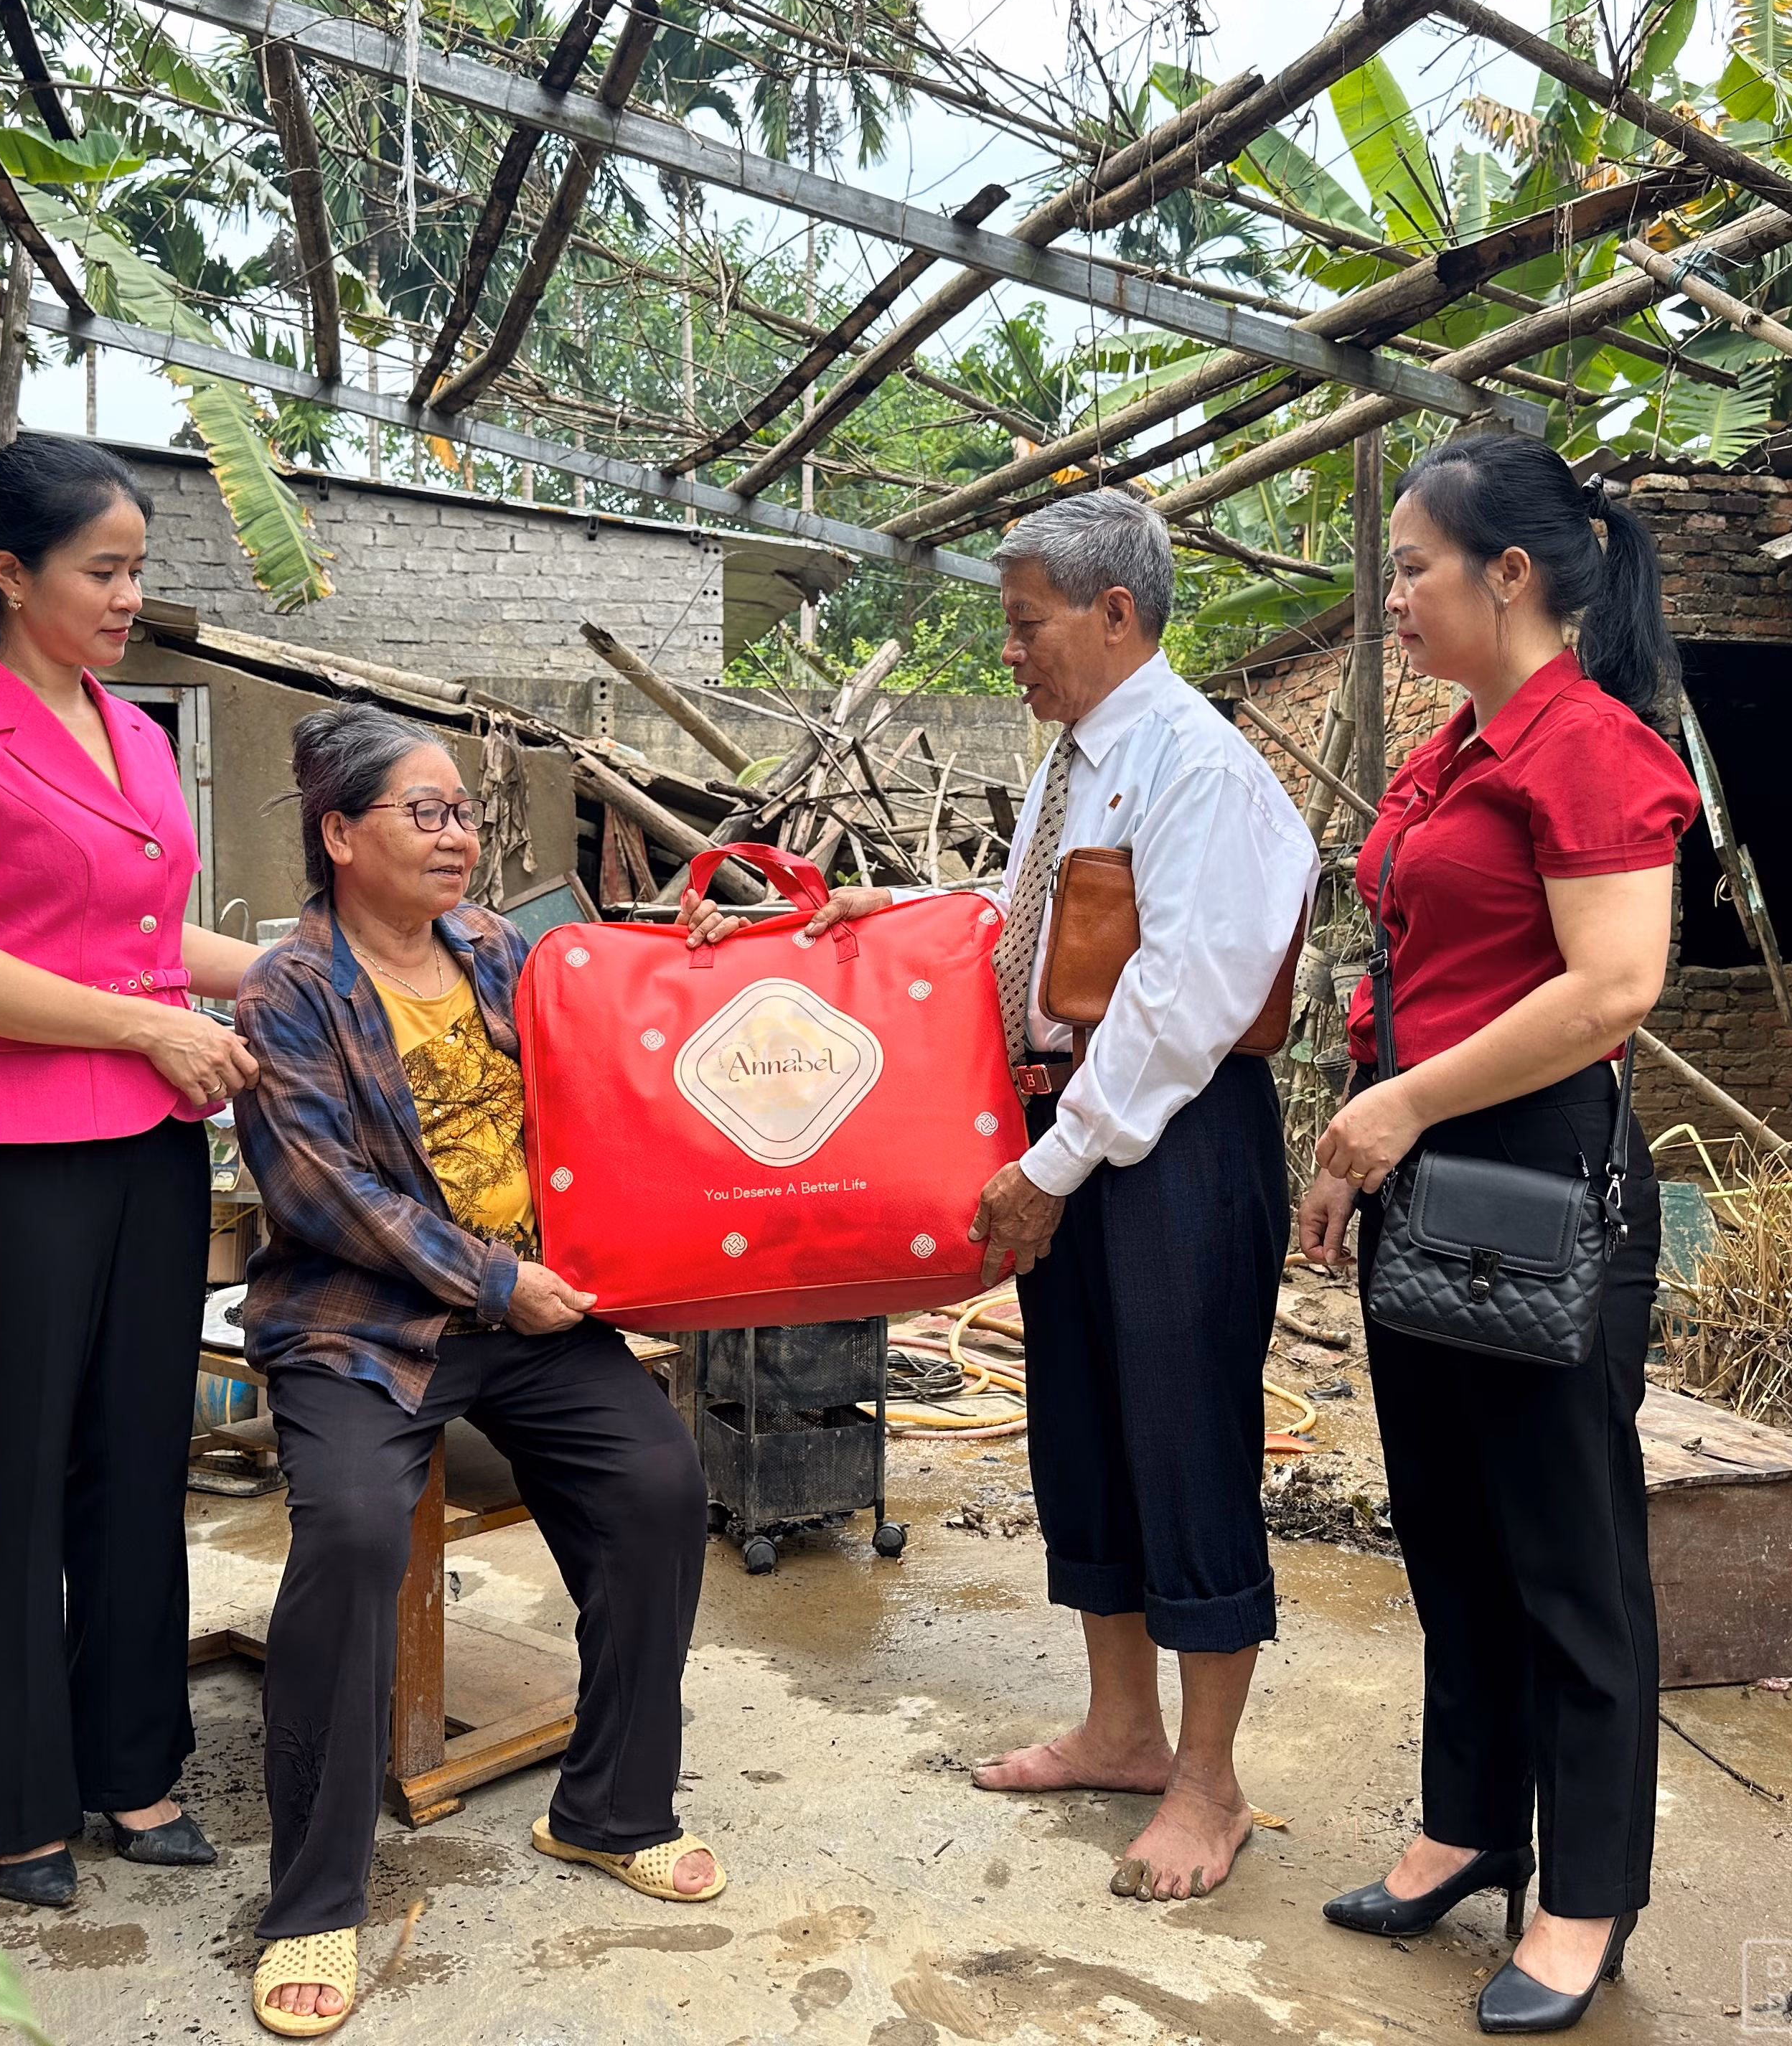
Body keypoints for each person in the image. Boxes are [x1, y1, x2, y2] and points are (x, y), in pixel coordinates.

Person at [685, 487, 1314, 1903]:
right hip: (1082, 1138)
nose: (1010, 650)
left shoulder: (1194, 765)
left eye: (1024, 624)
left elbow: (1176, 1000)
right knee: (1086, 1429)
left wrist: (1048, 1167)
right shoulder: (1077, 763)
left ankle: (1210, 1784)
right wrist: (887, 915)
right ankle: (1120, 1728)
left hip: (1172, 1142)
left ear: (1113, 612)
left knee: (1188, 1439)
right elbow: (1039, 929)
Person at [236, 704, 719, 2039]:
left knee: (657, 1483)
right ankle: (316, 1905)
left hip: (530, 1316)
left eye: (465, 814)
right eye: (427, 813)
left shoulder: (503, 951)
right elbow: (331, 1197)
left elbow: (617, 1064)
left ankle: (611, 1809)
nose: (460, 838)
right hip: (363, 1326)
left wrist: (704, 962)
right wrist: (505, 1280)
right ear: (341, 834)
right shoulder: (289, 993)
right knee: (346, 1533)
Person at [1297, 433, 1698, 2035]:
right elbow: (1407, 960)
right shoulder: (1454, 747)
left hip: (1541, 1179)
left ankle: (1585, 1893)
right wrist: (1359, 1134)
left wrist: (1404, 1113)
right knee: (1450, 1536)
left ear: (1508, 576)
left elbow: (1611, 991)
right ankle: (1466, 1830)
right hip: (1420, 1165)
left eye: (1413, 566)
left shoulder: (1589, 746)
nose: (1392, 596)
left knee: (1566, 1562)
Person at [0, 434, 265, 1907]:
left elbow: (161, 945)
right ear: (13, 575)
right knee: (17, 1485)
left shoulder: (138, 735)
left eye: (139, 572)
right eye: (105, 571)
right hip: (18, 1163)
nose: (128, 598)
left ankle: (133, 1771)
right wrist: (156, 1028)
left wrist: (300, 970)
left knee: (140, 1467)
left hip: (153, 1160)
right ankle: (17, 1807)